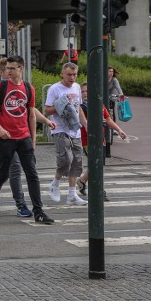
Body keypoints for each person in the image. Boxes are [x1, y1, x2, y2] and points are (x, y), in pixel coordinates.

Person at [0, 55, 54, 224]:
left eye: (12, 68)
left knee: (32, 173)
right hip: (5, 139)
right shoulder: (0, 87)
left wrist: (33, 139)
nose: (9, 71)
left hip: (23, 138)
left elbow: (31, 115)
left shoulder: (29, 88)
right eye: (7, 68)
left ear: (21, 69)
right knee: (3, 172)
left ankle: (38, 211)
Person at [44, 63, 89, 205]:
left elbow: (78, 108)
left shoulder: (76, 87)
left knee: (76, 162)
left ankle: (71, 195)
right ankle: (55, 184)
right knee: (66, 160)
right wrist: (60, 105)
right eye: (69, 74)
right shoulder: (55, 89)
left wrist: (85, 124)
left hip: (75, 129)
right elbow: (46, 110)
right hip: (60, 128)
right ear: (62, 74)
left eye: (74, 74)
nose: (72, 77)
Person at [77, 82, 127, 201]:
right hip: (87, 140)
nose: (85, 94)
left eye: (87, 91)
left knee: (97, 164)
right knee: (97, 164)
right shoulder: (79, 106)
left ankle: (82, 180)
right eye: (82, 91)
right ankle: (99, 190)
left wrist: (119, 130)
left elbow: (108, 119)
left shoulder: (99, 104)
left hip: (101, 139)